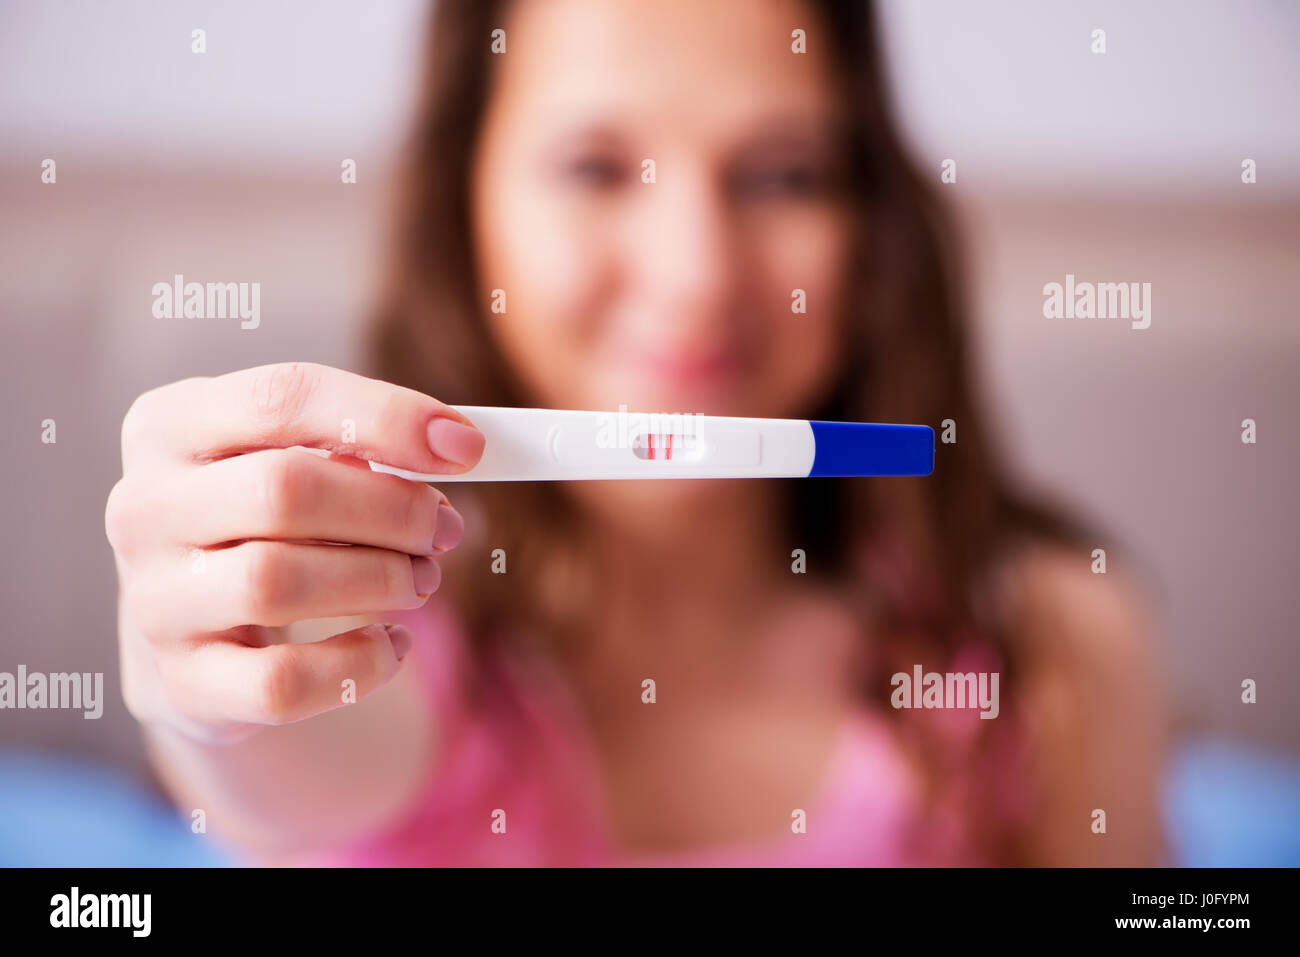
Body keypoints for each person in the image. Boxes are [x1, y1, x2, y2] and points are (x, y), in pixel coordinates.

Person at [104, 0, 1165, 865]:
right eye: (597, 168)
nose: (697, 273)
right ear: (463, 203)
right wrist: (208, 701)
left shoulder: (1045, 645)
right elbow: (282, 758)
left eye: (782, 173)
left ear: (869, 220)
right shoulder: (385, 615)